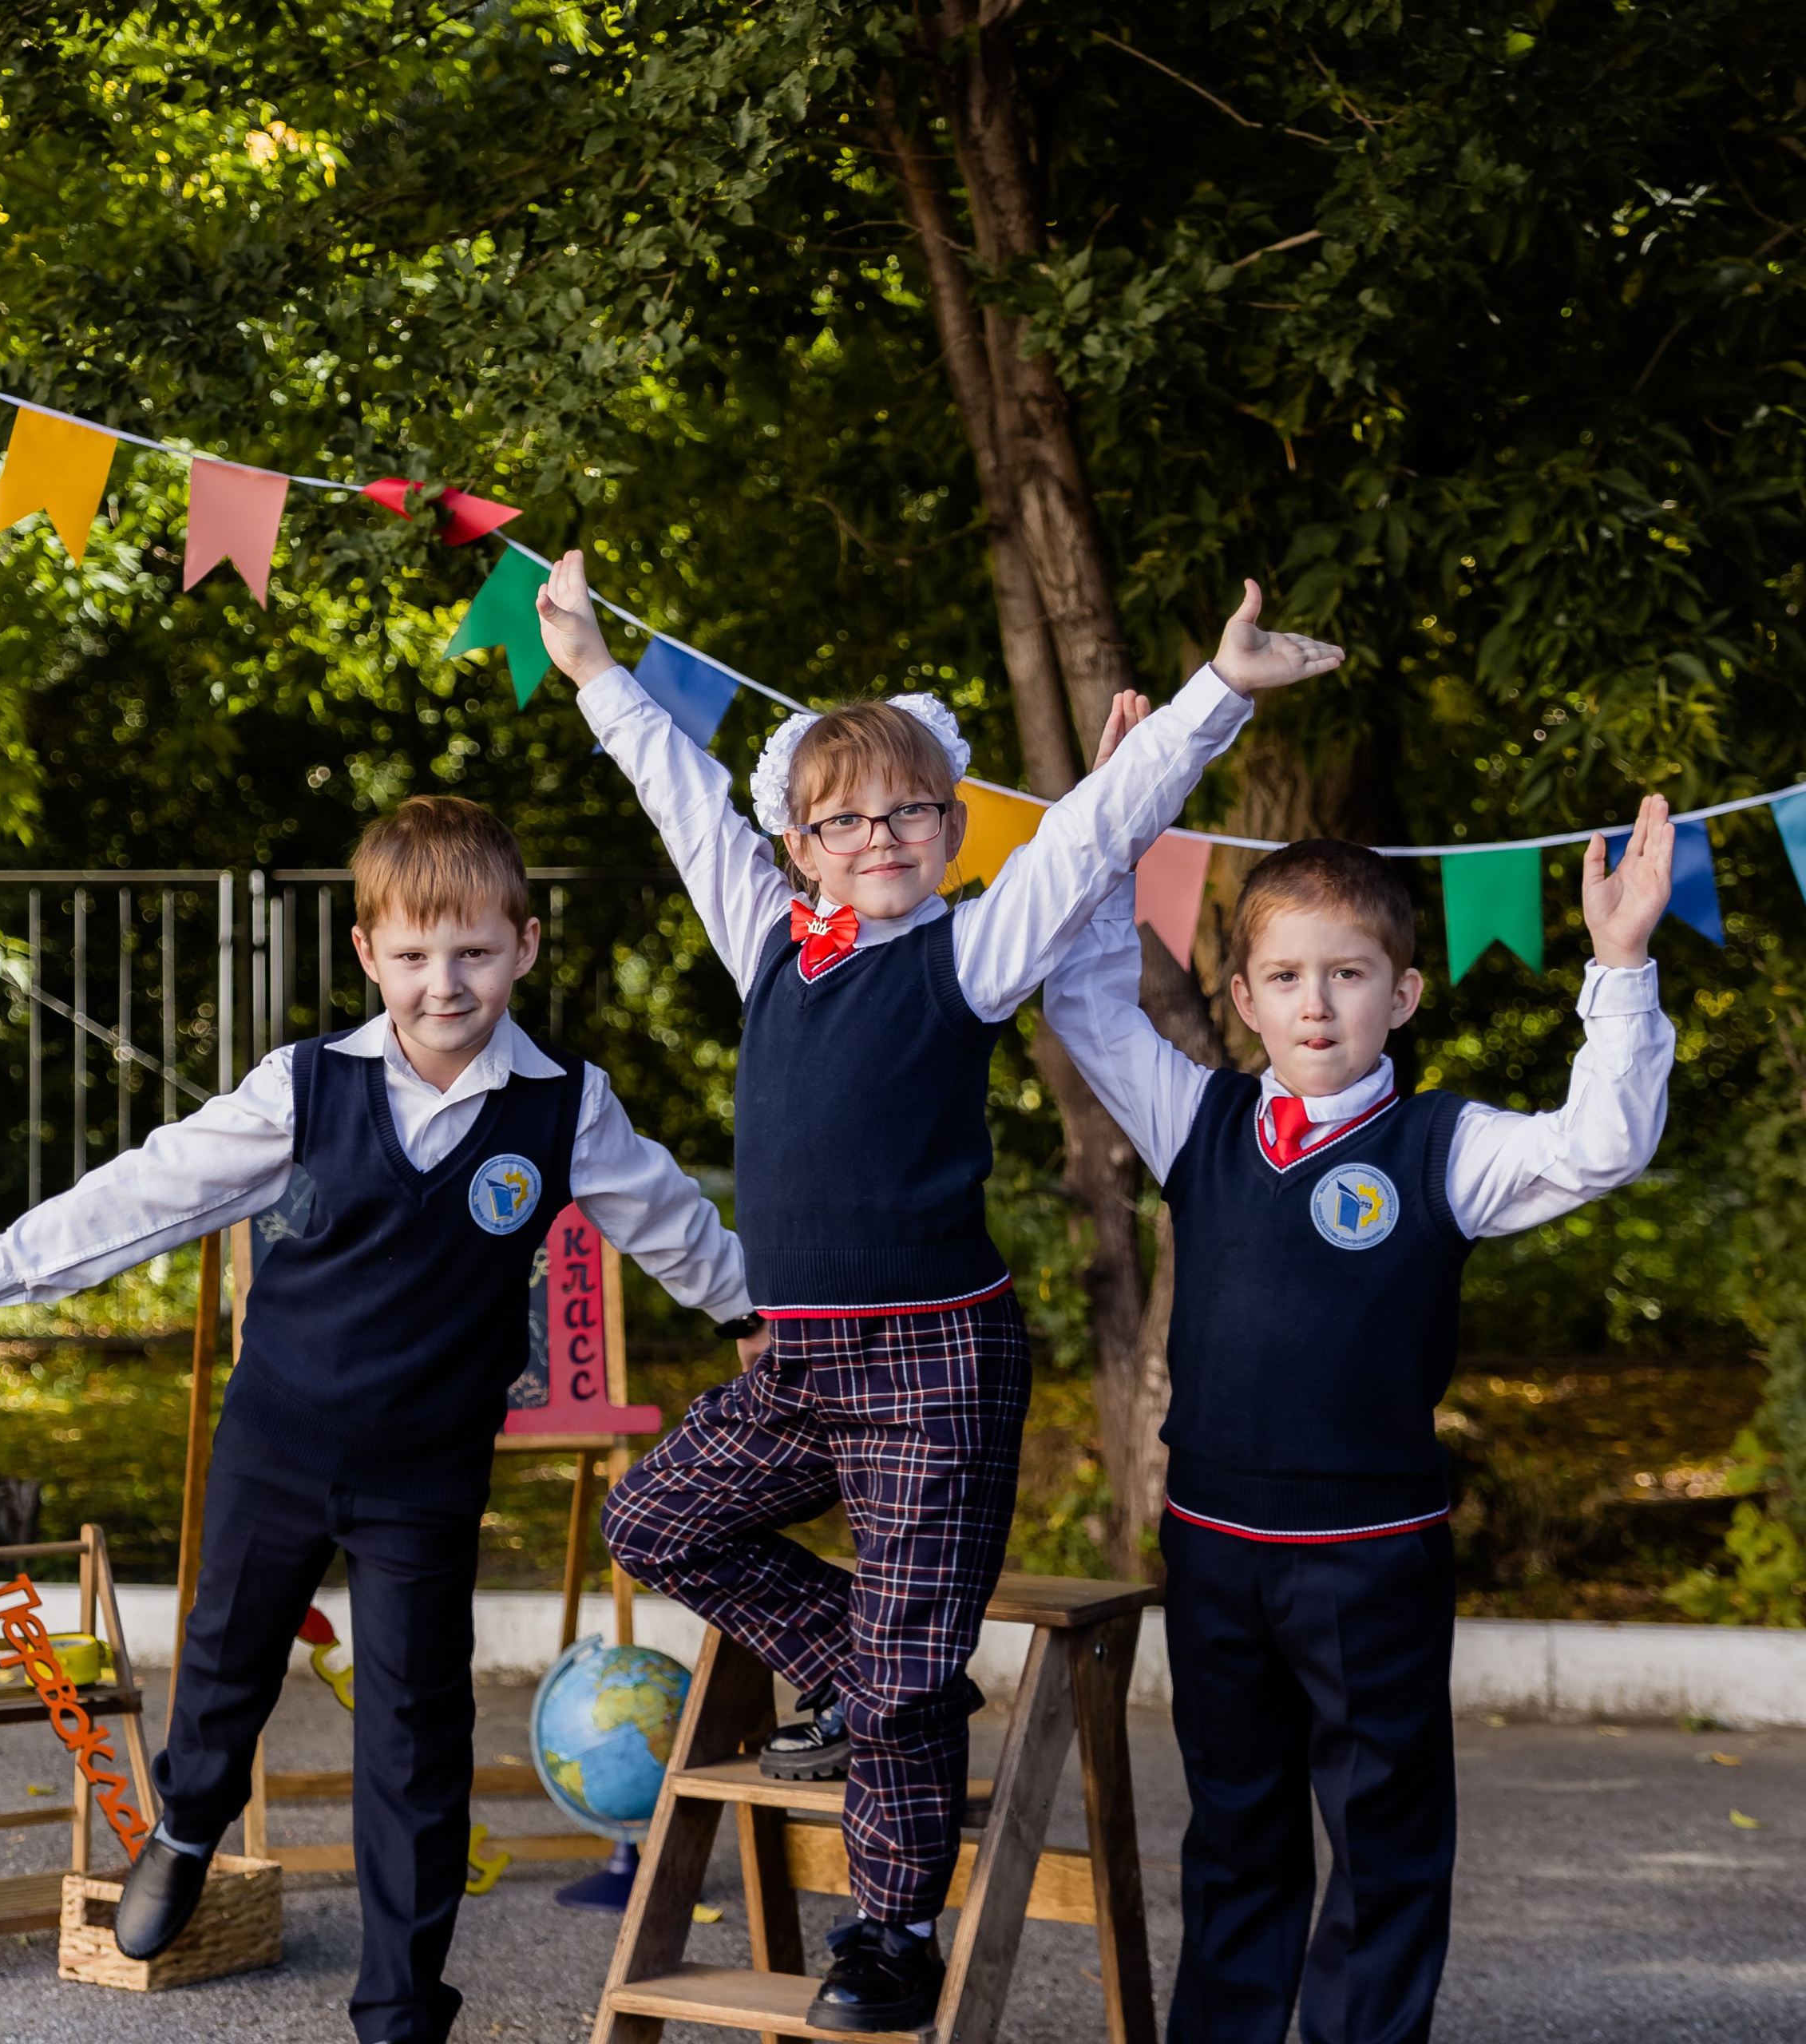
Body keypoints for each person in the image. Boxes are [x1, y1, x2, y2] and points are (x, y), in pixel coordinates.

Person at [533, 550, 1342, 2030]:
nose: (880, 834)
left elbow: (1097, 836)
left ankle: (888, 1933)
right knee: (656, 1519)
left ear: (953, 824)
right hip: (797, 1366)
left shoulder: (970, 953)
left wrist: (1217, 694)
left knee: (903, 1685)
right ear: (799, 844)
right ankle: (881, 1672)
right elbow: (675, 795)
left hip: (936, 1370)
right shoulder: (767, 940)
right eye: (843, 820)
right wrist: (593, 669)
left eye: (910, 810)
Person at [0, 794, 760, 2044]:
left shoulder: (565, 1107)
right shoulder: (307, 1085)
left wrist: (761, 1321)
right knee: (225, 1669)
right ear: (366, 955)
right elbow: (147, 1194)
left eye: (474, 954)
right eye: (413, 956)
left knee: (413, 1735)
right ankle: (184, 1829)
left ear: (526, 947)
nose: (443, 985)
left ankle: (399, 2009)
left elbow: (679, 1229)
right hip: (278, 1446)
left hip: (425, 1478)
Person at [1044, 787, 1679, 2044]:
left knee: (1383, 1835)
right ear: (1244, 999)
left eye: (1348, 973)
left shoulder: (1446, 1146)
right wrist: (1117, 827)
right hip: (1216, 1547)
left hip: (1372, 1555)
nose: (1316, 1003)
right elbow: (1084, 1004)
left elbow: (1604, 1142)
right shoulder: (1199, 1120)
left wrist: (1619, 963)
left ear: (1404, 994)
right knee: (1235, 1827)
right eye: (1285, 976)